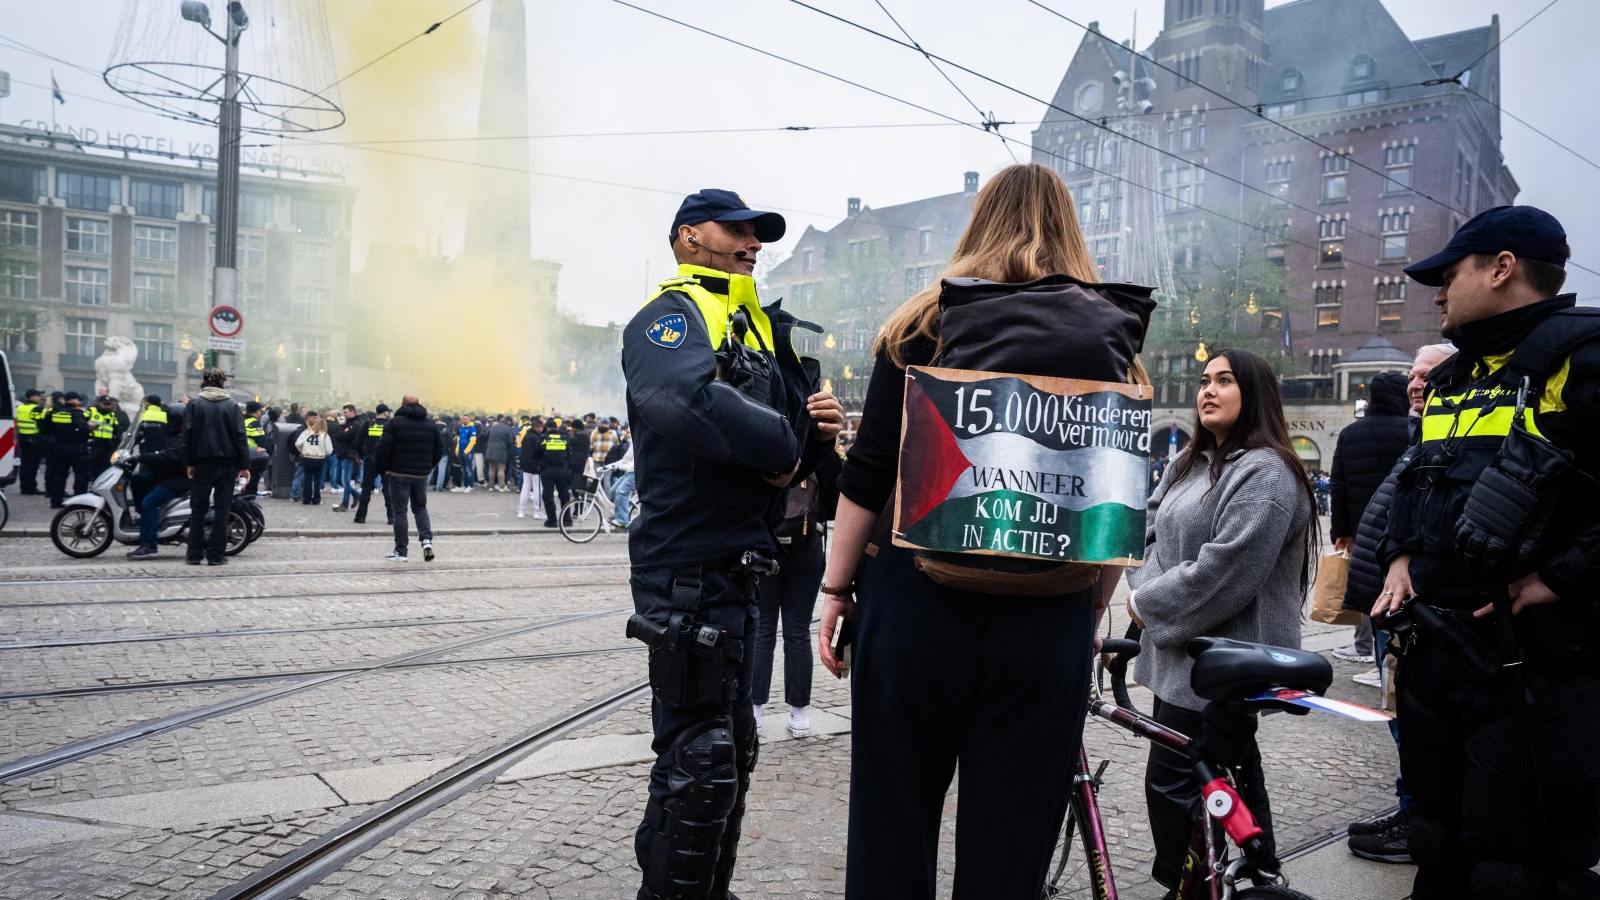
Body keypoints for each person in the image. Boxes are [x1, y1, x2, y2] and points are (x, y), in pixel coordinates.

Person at [814, 165, 1135, 899]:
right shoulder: (1114, 335)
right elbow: (1118, 498)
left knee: (891, 822)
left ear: (978, 223)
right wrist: (1088, 609)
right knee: (1012, 842)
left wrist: (835, 588)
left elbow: (866, 474)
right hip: (1045, 618)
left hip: (915, 604)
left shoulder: (922, 322)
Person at [1373, 206, 1600, 898]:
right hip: (1439, 657)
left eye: (1449, 275)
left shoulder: (1583, 360)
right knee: (1436, 842)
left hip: (1539, 669)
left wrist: (1560, 579)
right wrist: (1402, 554)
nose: (1437, 293)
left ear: (1502, 268)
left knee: (1515, 867)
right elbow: (1422, 481)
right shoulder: (1451, 378)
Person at [623, 188, 842, 900]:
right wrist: (786, 442)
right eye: (736, 230)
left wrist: (820, 434)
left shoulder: (755, 331)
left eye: (758, 234)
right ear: (689, 237)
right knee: (700, 760)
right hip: (684, 564)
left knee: (731, 751)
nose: (753, 243)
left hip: (743, 564)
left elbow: (792, 462)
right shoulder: (669, 319)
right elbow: (684, 400)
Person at [1124, 348, 1316, 894]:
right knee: (1222, 774)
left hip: (1226, 664)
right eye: (1205, 380)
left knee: (1181, 783)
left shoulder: (1266, 472)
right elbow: (1148, 532)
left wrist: (1147, 602)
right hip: (1182, 659)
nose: (1207, 390)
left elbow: (1227, 569)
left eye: (1224, 381)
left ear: (1252, 393)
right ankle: (1252, 872)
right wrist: (1151, 593)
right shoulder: (1192, 461)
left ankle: (1190, 886)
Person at [1340, 342, 1455, 865]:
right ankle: (1413, 808)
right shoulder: (1419, 433)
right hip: (1392, 602)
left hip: (1416, 607)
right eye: (1413, 374)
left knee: (1414, 716)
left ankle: (1421, 817)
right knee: (1398, 712)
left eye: (1428, 373)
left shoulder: (1449, 437)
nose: (1417, 382)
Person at [751, 450, 838, 738]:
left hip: (766, 547)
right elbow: (834, 506)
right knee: (798, 631)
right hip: (807, 548)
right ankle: (799, 713)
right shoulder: (824, 454)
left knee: (763, 629)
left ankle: (755, 710)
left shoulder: (765, 443)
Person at [1327, 371, 1412, 666]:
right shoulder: (1414, 429)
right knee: (1400, 588)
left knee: (1366, 587)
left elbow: (1339, 486)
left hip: (1362, 528)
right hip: (1403, 528)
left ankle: (1368, 650)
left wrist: (1341, 531)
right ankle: (1393, 659)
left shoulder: (1351, 433)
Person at [182, 369, 249, 566]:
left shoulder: (194, 404)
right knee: (222, 510)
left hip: (202, 462)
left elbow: (187, 436)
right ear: (222, 382)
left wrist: (189, 462)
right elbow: (240, 437)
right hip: (226, 464)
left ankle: (193, 554)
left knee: (198, 510)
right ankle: (215, 555)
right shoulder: (232, 405)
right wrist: (244, 466)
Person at [373, 395, 444, 562]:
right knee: (420, 508)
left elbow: (383, 448)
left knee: (400, 511)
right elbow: (439, 450)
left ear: (401, 404)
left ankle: (401, 551)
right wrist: (428, 467)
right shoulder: (430, 425)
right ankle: (427, 542)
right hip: (421, 475)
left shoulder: (394, 423)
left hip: (398, 473)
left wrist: (383, 469)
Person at [126, 406, 189, 559]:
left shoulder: (184, 437)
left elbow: (170, 457)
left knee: (149, 502)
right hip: (169, 476)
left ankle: (149, 545)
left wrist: (144, 457)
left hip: (179, 480)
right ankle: (146, 521)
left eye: (170, 419)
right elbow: (164, 453)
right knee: (138, 480)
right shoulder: (175, 434)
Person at [42, 391, 90, 509]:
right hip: (76, 448)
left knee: (59, 475)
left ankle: (56, 501)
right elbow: (83, 430)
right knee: (80, 476)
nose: (79, 402)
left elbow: (46, 430)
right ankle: (79, 501)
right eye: (78, 400)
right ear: (73, 400)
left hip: (59, 448)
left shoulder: (54, 413)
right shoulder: (77, 413)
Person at [353, 404, 393, 524]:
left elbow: (357, 443)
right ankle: (391, 517)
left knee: (366, 488)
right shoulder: (390, 425)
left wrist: (363, 455)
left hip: (371, 459)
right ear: (385, 413)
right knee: (388, 489)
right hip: (387, 461)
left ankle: (361, 517)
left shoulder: (369, 424)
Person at [529, 416, 572, 527]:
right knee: (564, 495)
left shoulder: (543, 439)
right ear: (556, 428)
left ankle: (552, 520)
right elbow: (568, 454)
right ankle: (567, 519)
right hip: (562, 469)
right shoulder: (564, 438)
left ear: (547, 428)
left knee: (548, 496)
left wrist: (538, 464)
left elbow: (536, 454)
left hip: (547, 470)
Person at [293, 411, 332, 506]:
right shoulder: (324, 435)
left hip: (307, 457)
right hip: (319, 458)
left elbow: (298, 443)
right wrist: (324, 454)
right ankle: (316, 499)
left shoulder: (306, 432)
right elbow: (329, 449)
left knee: (307, 478)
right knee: (317, 479)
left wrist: (302, 451)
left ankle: (306, 499)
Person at [15, 388, 44, 495]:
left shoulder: (20, 408)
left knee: (24, 464)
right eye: (38, 395)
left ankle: (24, 487)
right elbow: (42, 423)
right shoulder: (36, 409)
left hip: (23, 439)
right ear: (32, 397)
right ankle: (30, 487)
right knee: (32, 465)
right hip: (34, 440)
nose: (40, 398)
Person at [517, 416, 545, 519]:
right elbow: (539, 452)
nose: (542, 429)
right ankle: (537, 512)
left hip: (526, 466)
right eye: (541, 427)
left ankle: (521, 511)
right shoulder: (537, 438)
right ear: (537, 427)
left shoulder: (526, 436)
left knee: (525, 488)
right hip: (536, 467)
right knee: (537, 489)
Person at [242, 401, 269, 497]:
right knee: (252, 481)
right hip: (253, 456)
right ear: (257, 411)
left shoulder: (239, 420)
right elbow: (261, 441)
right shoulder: (254, 423)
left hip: (240, 454)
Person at [485, 414, 515, 491]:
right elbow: (509, 442)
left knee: (491, 469)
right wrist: (506, 448)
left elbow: (486, 436)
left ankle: (491, 486)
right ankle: (501, 486)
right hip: (501, 451)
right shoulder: (508, 429)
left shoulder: (493, 427)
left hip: (490, 450)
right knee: (501, 469)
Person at [453, 414, 477, 492]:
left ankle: (470, 486)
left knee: (468, 469)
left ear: (469, 420)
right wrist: (457, 449)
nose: (465, 420)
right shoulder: (461, 428)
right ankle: (465, 485)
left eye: (467, 419)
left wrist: (467, 450)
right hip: (460, 451)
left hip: (468, 452)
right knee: (463, 469)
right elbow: (459, 440)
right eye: (464, 419)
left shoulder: (472, 428)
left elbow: (473, 441)